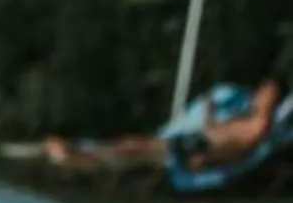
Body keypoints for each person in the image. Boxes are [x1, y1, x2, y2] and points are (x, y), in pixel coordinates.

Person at [33, 72, 282, 180]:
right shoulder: (247, 119)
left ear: (271, 99)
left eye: (263, 93)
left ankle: (75, 159)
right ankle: (79, 156)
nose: (257, 96)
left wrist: (206, 160)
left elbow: (235, 150)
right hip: (195, 142)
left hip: (195, 148)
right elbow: (218, 131)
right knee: (132, 148)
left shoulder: (257, 126)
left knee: (131, 150)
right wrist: (210, 114)